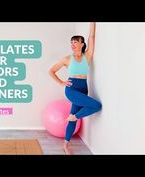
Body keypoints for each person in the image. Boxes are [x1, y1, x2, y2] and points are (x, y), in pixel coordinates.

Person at [49, 22, 102, 155]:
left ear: (82, 44)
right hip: (72, 89)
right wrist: (61, 82)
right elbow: (51, 71)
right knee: (96, 105)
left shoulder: (87, 56)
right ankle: (74, 117)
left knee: (73, 115)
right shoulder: (67, 59)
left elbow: (92, 36)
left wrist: (92, 23)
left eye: (75, 42)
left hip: (83, 87)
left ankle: (65, 144)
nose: (72, 44)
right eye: (71, 42)